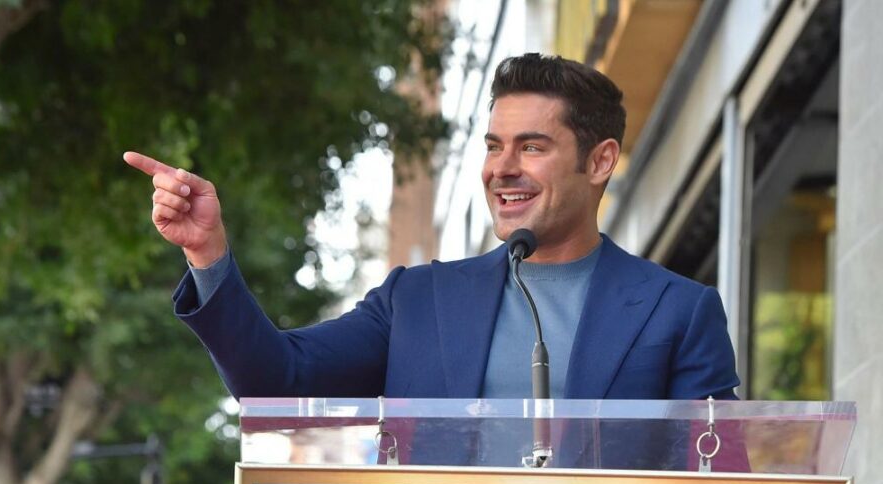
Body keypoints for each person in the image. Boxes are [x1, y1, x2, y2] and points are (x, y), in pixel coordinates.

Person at [123, 53, 740, 405]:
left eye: (532, 147)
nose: (502, 168)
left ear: (600, 161)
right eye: (494, 146)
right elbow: (274, 382)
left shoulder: (678, 313)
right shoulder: (415, 302)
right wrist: (209, 255)